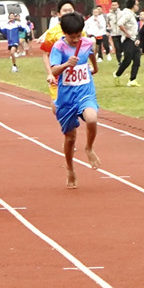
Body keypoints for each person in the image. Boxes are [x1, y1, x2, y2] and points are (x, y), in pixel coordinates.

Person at [48, 12, 101, 188]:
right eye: (72, 37)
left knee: (92, 118)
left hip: (85, 92)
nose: (76, 40)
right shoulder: (59, 47)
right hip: (66, 98)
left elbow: (91, 53)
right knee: (70, 138)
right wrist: (66, 65)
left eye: (79, 35)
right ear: (65, 33)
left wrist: (95, 67)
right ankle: (70, 168)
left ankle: (89, 148)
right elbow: (53, 71)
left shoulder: (86, 42)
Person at [40, 0, 78, 105]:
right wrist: (50, 74)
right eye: (65, 11)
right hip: (58, 75)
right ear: (59, 14)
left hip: (75, 77)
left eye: (70, 10)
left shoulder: (80, 31)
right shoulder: (52, 33)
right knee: (57, 108)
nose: (68, 13)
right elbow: (46, 54)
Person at [112, 0, 140, 87]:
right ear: (133, 6)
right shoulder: (128, 14)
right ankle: (117, 74)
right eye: (137, 5)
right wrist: (127, 33)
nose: (138, 7)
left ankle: (132, 79)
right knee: (127, 60)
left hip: (134, 39)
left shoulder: (132, 14)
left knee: (137, 60)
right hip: (128, 40)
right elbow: (120, 23)